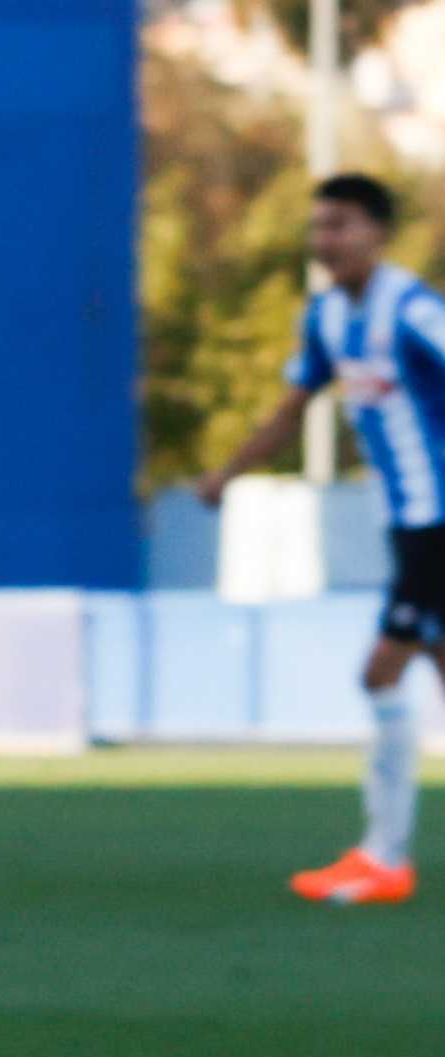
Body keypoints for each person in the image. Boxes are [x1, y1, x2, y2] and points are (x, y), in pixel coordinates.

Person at [196, 172, 434, 905]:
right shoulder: (328, 317)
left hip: (438, 523)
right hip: (407, 522)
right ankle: (385, 857)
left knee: (381, 673)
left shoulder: (413, 311)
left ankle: (384, 858)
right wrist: (229, 472)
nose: (325, 240)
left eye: (341, 225)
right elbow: (292, 408)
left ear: (378, 233)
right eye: (318, 226)